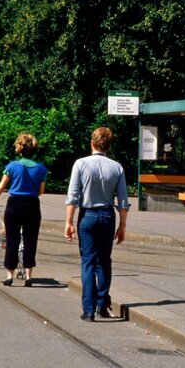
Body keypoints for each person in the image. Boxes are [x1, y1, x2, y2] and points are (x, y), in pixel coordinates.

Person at [65, 127, 129, 321]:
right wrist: (122, 226)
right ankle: (102, 304)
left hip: (88, 216)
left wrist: (68, 222)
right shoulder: (117, 167)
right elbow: (123, 201)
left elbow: (73, 196)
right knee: (104, 261)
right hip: (108, 217)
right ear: (109, 146)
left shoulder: (80, 164)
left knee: (88, 263)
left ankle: (88, 309)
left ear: (92, 142)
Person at [0, 132, 47, 286]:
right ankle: (28, 277)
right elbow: (41, 191)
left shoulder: (12, 166)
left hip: (14, 205)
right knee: (30, 240)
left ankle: (10, 275)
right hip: (32, 206)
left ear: (20, 148)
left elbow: (2, 186)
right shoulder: (41, 168)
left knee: (12, 240)